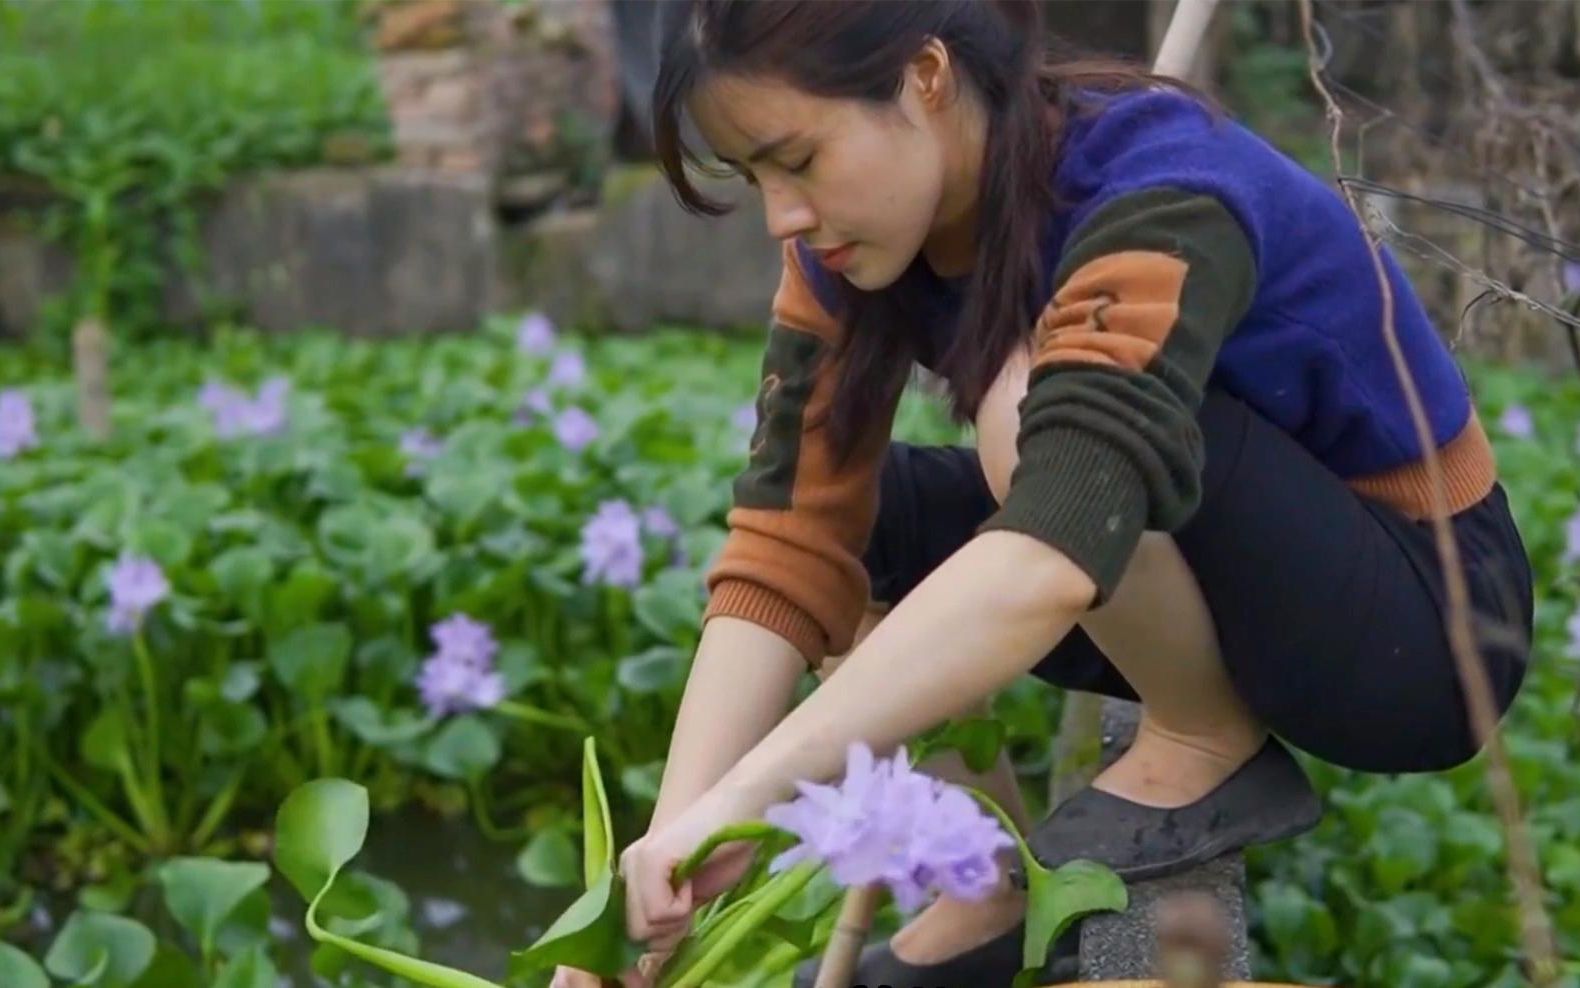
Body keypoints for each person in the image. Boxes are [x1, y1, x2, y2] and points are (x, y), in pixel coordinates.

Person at [554, 1, 1534, 985]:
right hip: (1218, 572)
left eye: (797, 161)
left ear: (923, 76)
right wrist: (665, 868)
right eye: (753, 178)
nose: (783, 216)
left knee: (1024, 415)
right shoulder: (848, 246)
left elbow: (1050, 558)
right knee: (861, 520)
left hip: (1421, 621)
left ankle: (1203, 737)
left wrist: (757, 790)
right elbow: (780, 550)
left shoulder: (1157, 187)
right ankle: (983, 880)